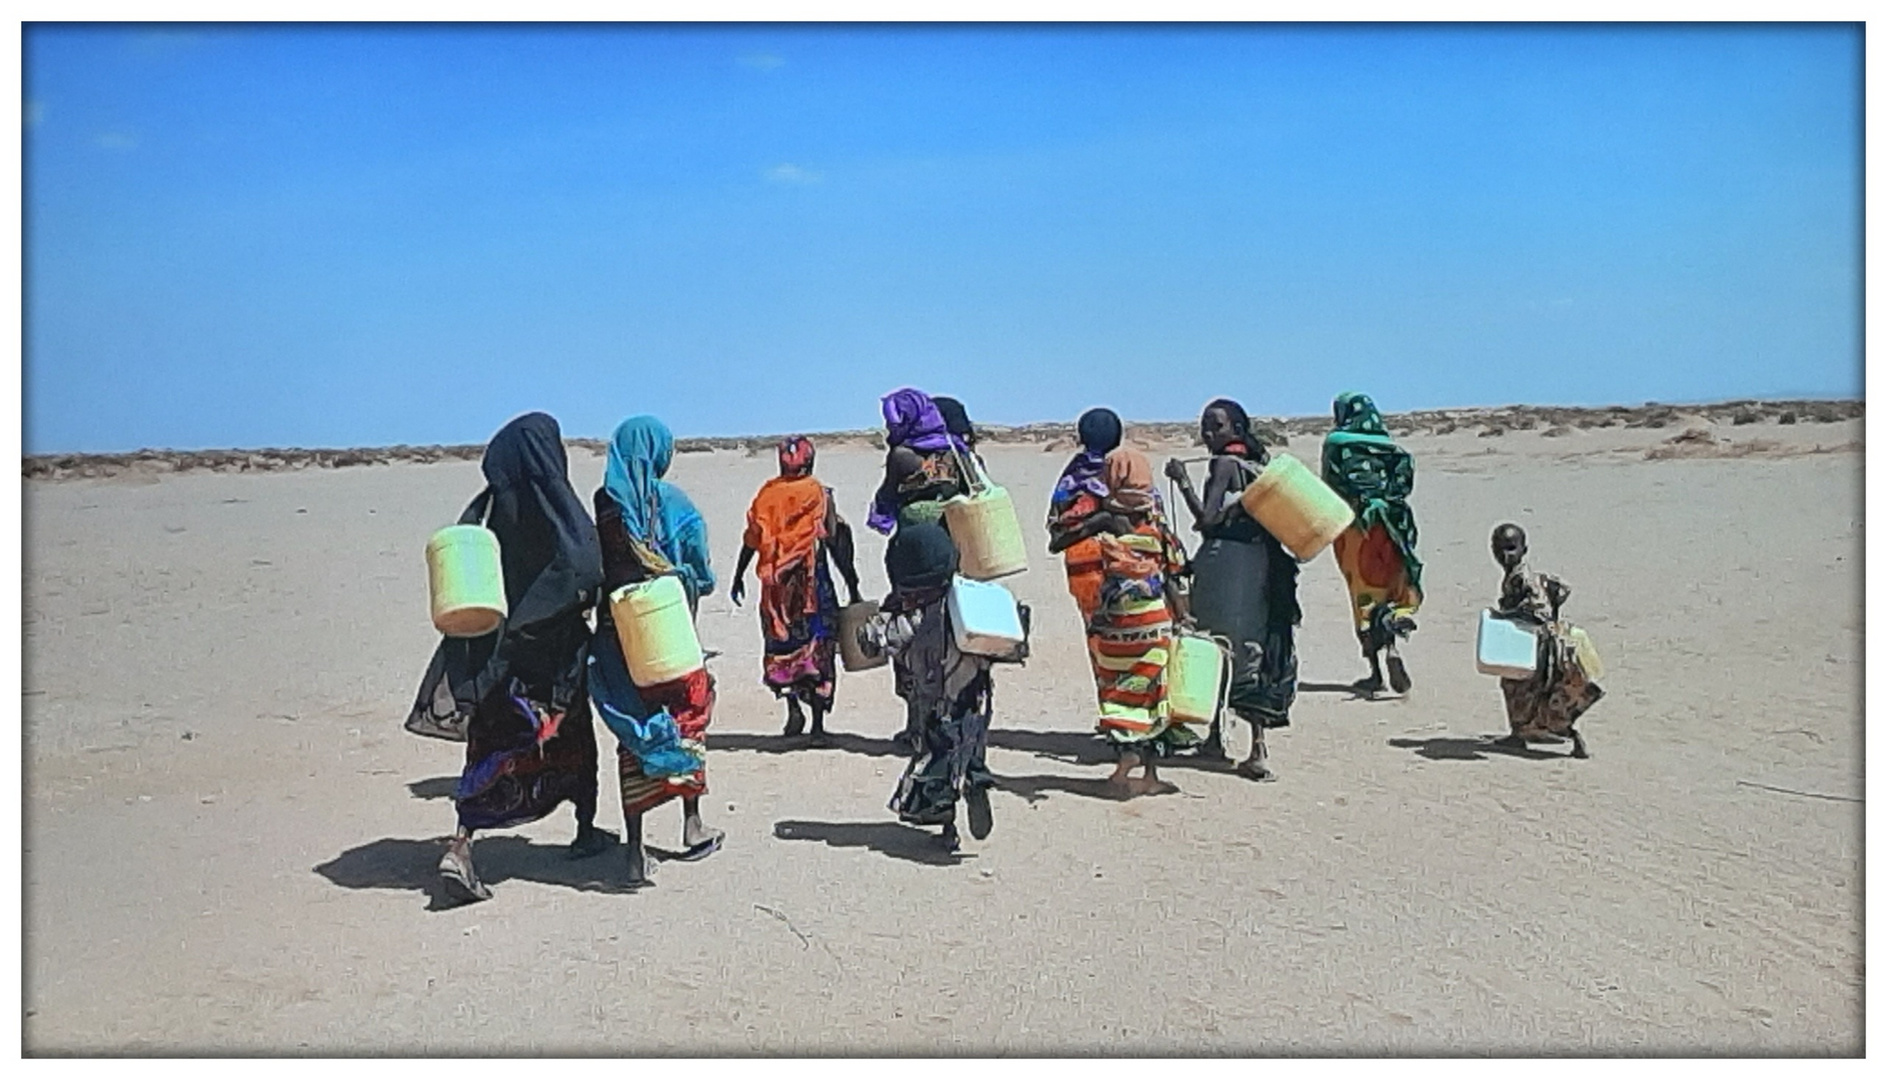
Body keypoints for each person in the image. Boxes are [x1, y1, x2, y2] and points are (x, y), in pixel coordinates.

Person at [406, 412, 608, 905]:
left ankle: (463, 844)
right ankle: (586, 830)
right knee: (574, 742)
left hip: (497, 660)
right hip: (554, 663)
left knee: (490, 749)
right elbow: (586, 568)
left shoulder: (490, 515)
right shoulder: (560, 510)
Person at [588, 415, 724, 890]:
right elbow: (699, 564)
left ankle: (634, 849)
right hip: (666, 627)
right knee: (687, 716)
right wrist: (687, 582)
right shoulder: (673, 503)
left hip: (616, 634)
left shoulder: (604, 504)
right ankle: (692, 823)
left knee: (635, 728)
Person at [1163, 398, 1299, 781]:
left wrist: (1181, 481)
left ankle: (1233, 743)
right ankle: (1241, 742)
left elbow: (1207, 521)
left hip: (1226, 564)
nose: (1208, 433)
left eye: (1216, 426)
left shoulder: (1224, 464)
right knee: (1251, 643)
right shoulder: (1262, 466)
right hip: (1262, 565)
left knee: (1218, 643)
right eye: (1205, 425)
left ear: (1236, 429)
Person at [1055, 447, 1194, 795]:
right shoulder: (1157, 523)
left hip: (1117, 618)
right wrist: (1183, 615)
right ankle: (1150, 776)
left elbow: (1060, 541)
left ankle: (1125, 760)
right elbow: (1175, 571)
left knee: (1118, 690)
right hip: (1155, 617)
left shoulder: (1104, 518)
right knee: (1153, 692)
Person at [853, 522, 997, 853]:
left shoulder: (913, 619)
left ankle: (947, 825)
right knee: (970, 747)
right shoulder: (965, 604)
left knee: (935, 763)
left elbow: (873, 641)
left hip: (935, 704)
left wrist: (869, 627)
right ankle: (976, 778)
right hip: (976, 697)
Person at [729, 436, 863, 741]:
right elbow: (835, 541)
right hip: (811, 589)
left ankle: (792, 709)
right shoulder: (819, 493)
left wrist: (738, 576)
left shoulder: (766, 495)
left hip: (775, 591)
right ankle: (817, 724)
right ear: (811, 461)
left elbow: (751, 539)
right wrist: (853, 584)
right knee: (817, 647)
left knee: (783, 646)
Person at [867, 388, 973, 753]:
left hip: (911, 558)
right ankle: (952, 721)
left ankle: (916, 725)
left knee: (908, 635)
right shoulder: (957, 452)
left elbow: (886, 501)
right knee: (950, 632)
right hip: (952, 554)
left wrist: (883, 515)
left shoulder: (902, 456)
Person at [1321, 392, 1423, 695]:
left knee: (1364, 596)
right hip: (1392, 527)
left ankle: (1376, 672)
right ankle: (1392, 637)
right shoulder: (1389, 447)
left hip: (1357, 531)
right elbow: (1404, 480)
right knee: (1391, 588)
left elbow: (1330, 487)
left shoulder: (1337, 445)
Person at [1489, 523, 1604, 758]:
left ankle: (1561, 733)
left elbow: (1539, 611)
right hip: (1535, 641)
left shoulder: (1523, 578)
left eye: (1511, 548)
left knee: (1524, 688)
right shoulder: (1518, 576)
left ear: (1524, 549)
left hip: (1538, 645)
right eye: (1500, 549)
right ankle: (1523, 733)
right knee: (1526, 689)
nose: (1505, 555)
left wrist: (1505, 615)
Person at [1045, 407, 1124, 628]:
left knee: (1095, 629)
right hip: (1122, 557)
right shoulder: (1122, 467)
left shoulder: (1075, 471)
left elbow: (1058, 516)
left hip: (1080, 560)